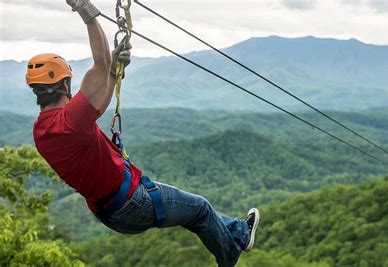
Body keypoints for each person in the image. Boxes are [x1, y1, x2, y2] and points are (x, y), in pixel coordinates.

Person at [27, 1, 260, 266]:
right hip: (133, 202)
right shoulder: (71, 120)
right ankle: (230, 255)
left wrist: (114, 71)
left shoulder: (43, 129)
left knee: (194, 215)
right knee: (201, 208)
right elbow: (101, 65)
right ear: (66, 83)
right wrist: (86, 11)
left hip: (112, 211)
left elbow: (98, 102)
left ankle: (239, 232)